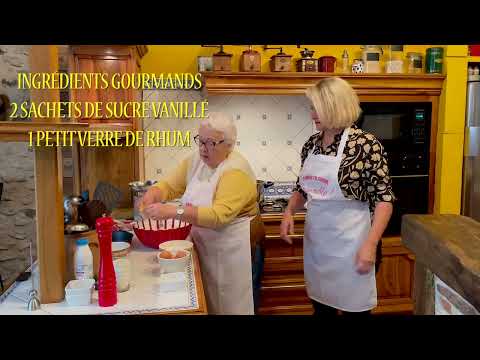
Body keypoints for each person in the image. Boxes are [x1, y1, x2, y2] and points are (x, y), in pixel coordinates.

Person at [280, 77, 395, 316]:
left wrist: (371, 245)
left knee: (356, 311)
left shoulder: (365, 145)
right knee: (321, 310)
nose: (312, 115)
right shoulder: (311, 144)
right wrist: (289, 211)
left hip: (355, 244)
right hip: (319, 247)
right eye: (312, 108)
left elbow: (384, 199)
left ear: (336, 107)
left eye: (317, 108)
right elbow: (302, 189)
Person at [141, 112, 264, 315]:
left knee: (234, 306)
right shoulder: (196, 161)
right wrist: (154, 193)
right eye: (201, 141)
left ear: (229, 145)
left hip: (237, 250)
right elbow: (171, 185)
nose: (203, 149)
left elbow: (218, 217)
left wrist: (173, 211)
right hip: (208, 247)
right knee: (210, 303)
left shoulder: (236, 171)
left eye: (212, 143)